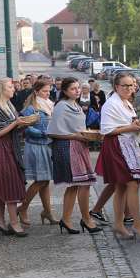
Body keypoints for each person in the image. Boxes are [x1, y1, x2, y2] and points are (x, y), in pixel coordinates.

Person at [96, 72, 140, 242]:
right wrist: (131, 127)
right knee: (132, 184)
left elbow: (129, 124)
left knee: (121, 187)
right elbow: (107, 130)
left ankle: (119, 224)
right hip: (117, 146)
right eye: (125, 85)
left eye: (132, 85)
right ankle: (137, 224)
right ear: (116, 87)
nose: (129, 88)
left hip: (128, 145)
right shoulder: (110, 104)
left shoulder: (126, 102)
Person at [48, 78, 102, 235]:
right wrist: (77, 136)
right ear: (64, 91)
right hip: (67, 147)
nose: (77, 91)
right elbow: (54, 131)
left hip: (79, 146)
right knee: (75, 184)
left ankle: (80, 218)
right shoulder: (61, 106)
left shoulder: (76, 105)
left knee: (82, 184)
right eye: (73, 89)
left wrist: (88, 135)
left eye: (78, 88)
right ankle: (75, 219)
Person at [0, 78, 30, 237]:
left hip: (8, 145)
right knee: (5, 184)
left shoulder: (7, 104)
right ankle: (12, 223)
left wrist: (23, 124)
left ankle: (1, 222)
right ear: (1, 89)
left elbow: (12, 126)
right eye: (10, 87)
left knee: (5, 184)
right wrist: (16, 123)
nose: (14, 89)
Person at [18, 78, 56, 226]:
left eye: (48, 91)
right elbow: (25, 127)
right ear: (36, 91)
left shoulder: (50, 104)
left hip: (47, 145)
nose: (47, 94)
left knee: (45, 181)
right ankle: (23, 207)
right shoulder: (31, 108)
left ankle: (47, 212)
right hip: (36, 145)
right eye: (44, 91)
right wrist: (44, 133)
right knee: (41, 180)